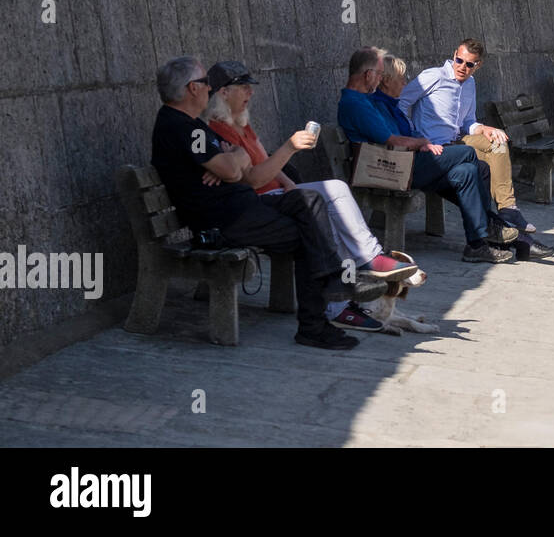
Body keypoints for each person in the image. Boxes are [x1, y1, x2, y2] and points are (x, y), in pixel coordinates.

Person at [151, 56, 374, 351]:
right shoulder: (182, 128)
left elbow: (234, 167)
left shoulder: (189, 125)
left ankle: (332, 284)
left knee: (309, 200)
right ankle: (316, 321)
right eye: (206, 83)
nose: (210, 89)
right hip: (224, 220)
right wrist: (235, 160)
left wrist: (232, 159)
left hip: (240, 208)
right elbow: (234, 169)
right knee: (310, 234)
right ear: (192, 88)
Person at [201, 60, 416, 333]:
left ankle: (368, 260)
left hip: (278, 194)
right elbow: (252, 178)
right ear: (223, 92)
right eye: (244, 87)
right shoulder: (216, 130)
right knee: (325, 220)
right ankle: (338, 305)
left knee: (335, 192)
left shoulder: (240, 122)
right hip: (257, 206)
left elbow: (265, 161)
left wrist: (291, 184)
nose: (250, 93)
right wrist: (290, 148)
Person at [338, 47, 517, 263]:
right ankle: (489, 224)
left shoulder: (370, 101)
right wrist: (422, 142)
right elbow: (392, 140)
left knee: (470, 171)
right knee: (468, 152)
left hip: (403, 163)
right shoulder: (358, 103)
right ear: (369, 75)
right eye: (378, 74)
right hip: (393, 168)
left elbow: (397, 135)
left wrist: (420, 143)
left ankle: (477, 245)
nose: (382, 78)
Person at [398, 41, 554, 260]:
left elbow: (468, 123)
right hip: (430, 151)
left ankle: (507, 209)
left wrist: (485, 129)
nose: (462, 66)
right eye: (459, 60)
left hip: (453, 144)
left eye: (469, 64)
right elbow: (400, 103)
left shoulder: (470, 84)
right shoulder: (432, 76)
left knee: (497, 143)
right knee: (474, 167)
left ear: (478, 65)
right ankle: (515, 239)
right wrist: (416, 137)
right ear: (454, 55)